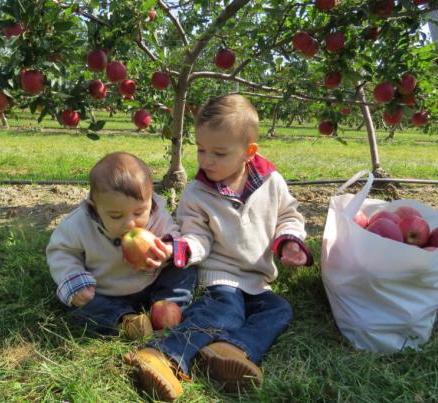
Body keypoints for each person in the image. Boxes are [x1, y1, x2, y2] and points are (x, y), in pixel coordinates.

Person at [126, 95, 313, 400]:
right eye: (201, 150)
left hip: (259, 280)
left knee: (280, 310)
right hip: (221, 276)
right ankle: (163, 355)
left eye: (219, 153)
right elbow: (197, 236)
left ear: (248, 153)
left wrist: (290, 240)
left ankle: (230, 350)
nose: (207, 160)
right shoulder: (197, 194)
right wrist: (177, 250)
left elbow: (288, 216)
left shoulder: (272, 182)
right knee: (225, 311)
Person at [46, 152, 196, 340]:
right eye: (116, 216)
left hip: (151, 281)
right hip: (107, 292)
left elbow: (175, 234)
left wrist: (167, 249)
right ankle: (126, 321)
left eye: (139, 212)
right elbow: (61, 251)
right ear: (95, 209)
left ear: (150, 200)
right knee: (80, 305)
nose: (130, 224)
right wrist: (75, 280)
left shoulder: (156, 215)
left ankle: (167, 307)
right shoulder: (79, 225)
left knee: (184, 266)